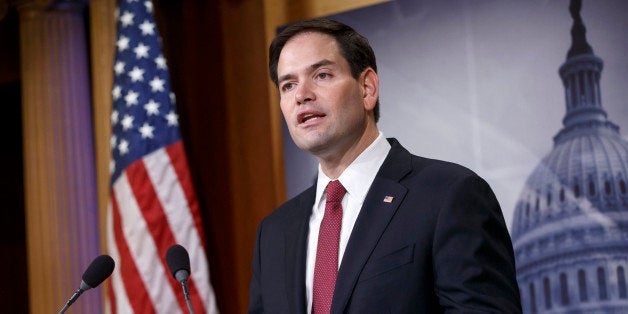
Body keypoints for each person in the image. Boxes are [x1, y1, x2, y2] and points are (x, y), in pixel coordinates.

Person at [248, 18, 522, 313]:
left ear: (367, 88)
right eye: (288, 85)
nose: (302, 95)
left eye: (322, 75)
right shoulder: (274, 234)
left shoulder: (449, 195)